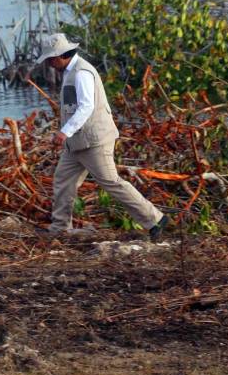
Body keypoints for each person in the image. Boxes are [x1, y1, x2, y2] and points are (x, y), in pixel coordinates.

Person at [37, 33, 169, 241]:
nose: (50, 64)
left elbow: (86, 106)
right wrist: (69, 134)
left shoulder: (81, 73)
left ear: (61, 55)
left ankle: (154, 219)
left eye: (51, 59)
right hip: (77, 143)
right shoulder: (71, 71)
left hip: (94, 141)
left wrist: (65, 132)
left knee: (111, 182)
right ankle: (60, 227)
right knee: (63, 180)